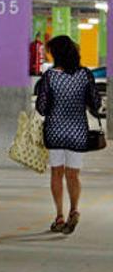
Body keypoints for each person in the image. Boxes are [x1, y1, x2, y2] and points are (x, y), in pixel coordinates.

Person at [35, 35, 101, 235]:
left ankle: (59, 216)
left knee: (57, 173)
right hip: (77, 130)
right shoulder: (85, 74)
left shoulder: (50, 76)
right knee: (73, 174)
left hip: (55, 130)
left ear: (56, 54)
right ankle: (74, 210)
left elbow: (42, 108)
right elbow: (95, 103)